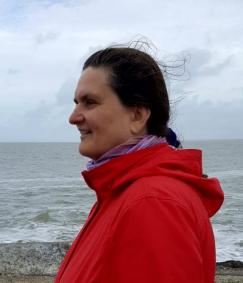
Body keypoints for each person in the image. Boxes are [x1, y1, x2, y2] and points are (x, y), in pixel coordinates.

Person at [54, 46, 224, 283]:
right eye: (76, 103)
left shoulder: (152, 202)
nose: (73, 117)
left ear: (137, 116)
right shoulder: (121, 191)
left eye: (89, 102)